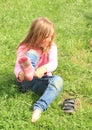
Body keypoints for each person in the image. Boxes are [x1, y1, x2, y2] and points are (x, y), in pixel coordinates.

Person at [14, 17, 63, 123]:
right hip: (25, 82)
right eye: (47, 37)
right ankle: (28, 72)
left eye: (51, 36)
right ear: (37, 36)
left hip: (41, 81)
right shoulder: (24, 47)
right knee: (31, 54)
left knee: (58, 80)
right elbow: (18, 66)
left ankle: (39, 108)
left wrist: (44, 68)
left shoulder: (51, 47)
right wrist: (20, 74)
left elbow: (54, 63)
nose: (50, 39)